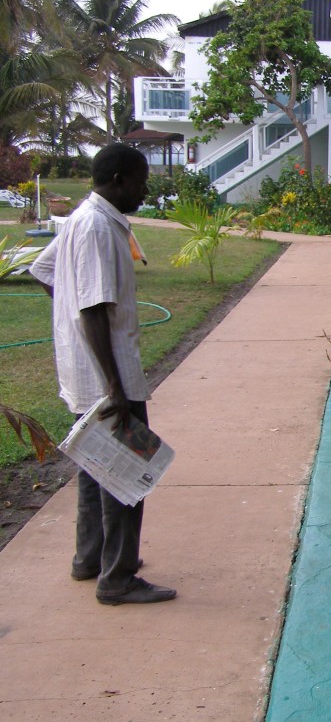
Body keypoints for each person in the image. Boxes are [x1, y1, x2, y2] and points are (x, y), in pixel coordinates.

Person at [29, 143, 177, 606]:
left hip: (85, 371)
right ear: (118, 180)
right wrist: (112, 384)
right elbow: (93, 310)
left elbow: (45, 269)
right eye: (140, 182)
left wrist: (68, 317)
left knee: (94, 467)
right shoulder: (96, 227)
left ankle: (89, 558)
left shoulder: (84, 218)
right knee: (128, 475)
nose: (144, 191)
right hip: (108, 378)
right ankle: (117, 578)